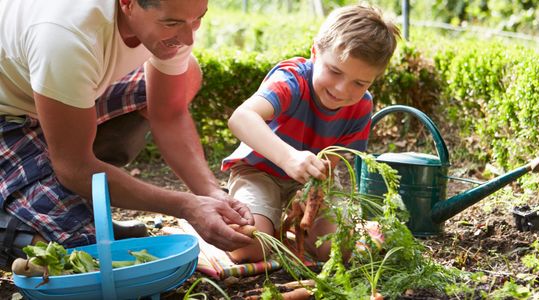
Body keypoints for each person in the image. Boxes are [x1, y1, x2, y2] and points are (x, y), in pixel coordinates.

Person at [0, 0, 254, 271]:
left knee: (185, 75)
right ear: (127, 4)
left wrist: (211, 193)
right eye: (172, 23)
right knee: (80, 252)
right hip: (9, 115)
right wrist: (187, 207)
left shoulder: (178, 16)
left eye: (198, 19)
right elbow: (74, 167)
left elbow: (168, 114)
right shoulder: (67, 34)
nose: (188, 36)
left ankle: (62, 189)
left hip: (52, 91)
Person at [221, 4, 400, 263]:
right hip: (258, 172)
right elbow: (241, 118)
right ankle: (256, 220)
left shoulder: (361, 107)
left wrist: (310, 195)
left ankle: (289, 229)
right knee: (247, 248)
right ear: (315, 52)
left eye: (359, 83)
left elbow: (330, 164)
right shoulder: (291, 80)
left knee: (338, 251)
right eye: (335, 71)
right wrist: (288, 158)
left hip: (311, 182)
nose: (341, 89)